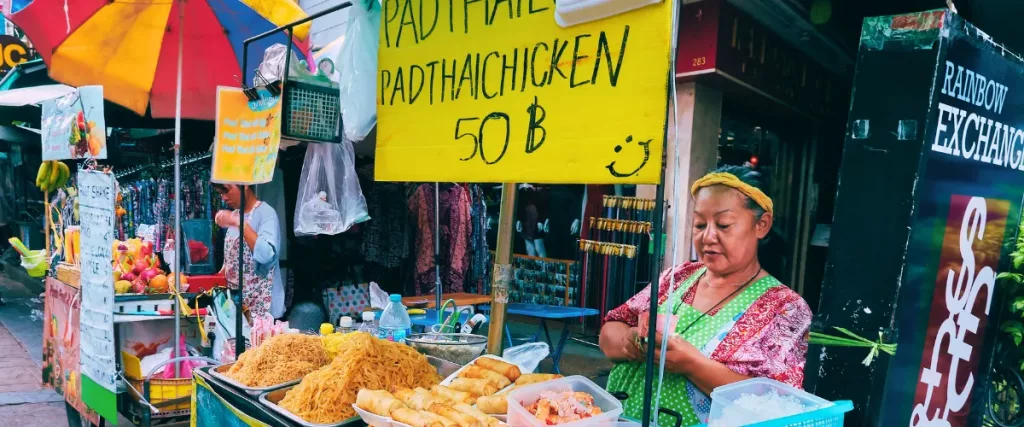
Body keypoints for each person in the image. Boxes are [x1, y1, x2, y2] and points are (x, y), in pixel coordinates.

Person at [600, 165, 812, 426]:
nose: (708, 236)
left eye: (723, 225)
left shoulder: (786, 309)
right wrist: (628, 341)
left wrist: (692, 365)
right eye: (700, 224)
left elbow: (778, 404)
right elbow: (610, 330)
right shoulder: (676, 277)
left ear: (762, 225)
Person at [214, 183, 284, 320]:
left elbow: (266, 256)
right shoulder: (235, 214)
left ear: (244, 184)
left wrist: (239, 223)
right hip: (237, 307)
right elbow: (231, 261)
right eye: (220, 193)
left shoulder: (266, 213)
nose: (224, 198)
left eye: (226, 191)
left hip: (262, 310)